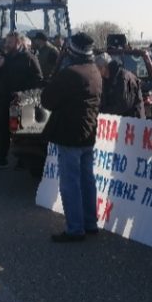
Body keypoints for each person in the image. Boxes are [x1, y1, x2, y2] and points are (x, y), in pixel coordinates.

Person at [40, 32, 102, 242]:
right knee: (87, 180)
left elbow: (47, 99)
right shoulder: (94, 71)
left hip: (69, 134)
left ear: (72, 50)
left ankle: (75, 228)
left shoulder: (70, 73)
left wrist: (58, 67)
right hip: (88, 133)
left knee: (70, 183)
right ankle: (90, 222)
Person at [0, 31, 42, 170]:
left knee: (20, 131)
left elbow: (38, 79)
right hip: (5, 99)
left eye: (10, 42)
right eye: (6, 42)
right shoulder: (4, 58)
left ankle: (22, 159)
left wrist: (26, 95)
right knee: (2, 129)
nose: (6, 45)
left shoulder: (29, 58)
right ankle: (2, 157)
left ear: (18, 43)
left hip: (22, 101)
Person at [95, 52, 145, 118]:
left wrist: (103, 111)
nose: (96, 73)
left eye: (97, 69)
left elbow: (124, 105)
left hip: (132, 122)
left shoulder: (124, 78)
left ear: (103, 68)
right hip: (118, 120)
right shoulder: (106, 79)